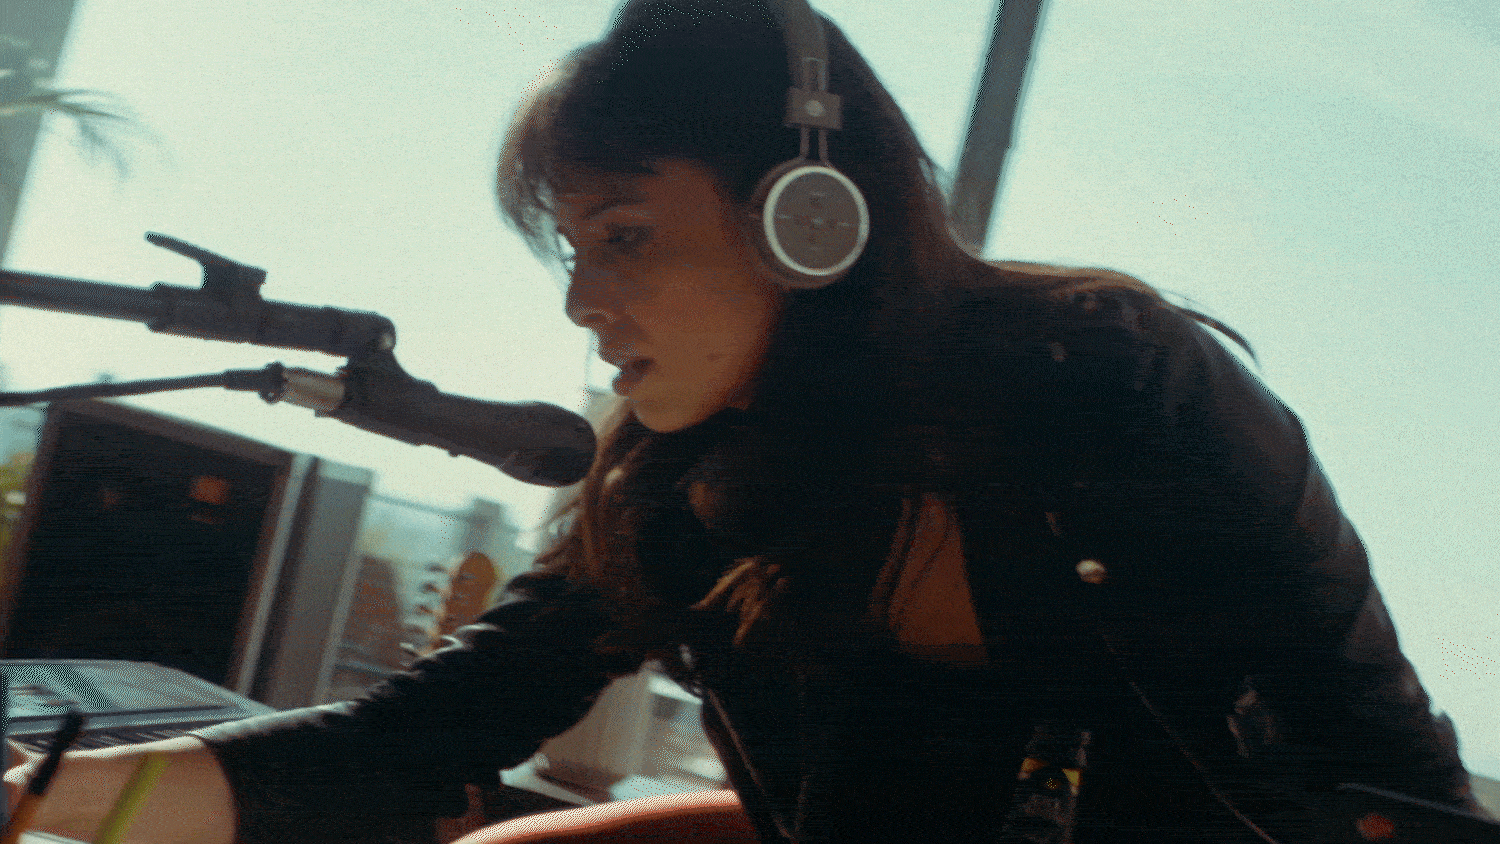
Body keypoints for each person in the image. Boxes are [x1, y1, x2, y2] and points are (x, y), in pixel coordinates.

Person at [5, 1, 1493, 843]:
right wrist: (38, 798)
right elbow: (410, 744)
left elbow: (1390, 781)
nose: (582, 302)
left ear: (810, 213)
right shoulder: (670, 492)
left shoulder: (1122, 387)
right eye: (570, 250)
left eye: (624, 236)